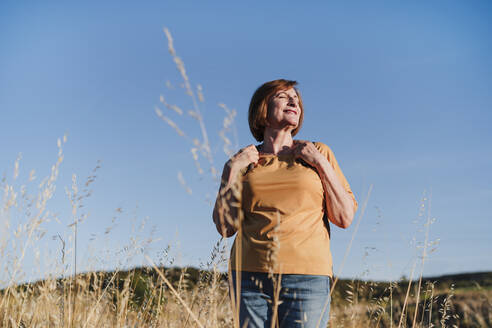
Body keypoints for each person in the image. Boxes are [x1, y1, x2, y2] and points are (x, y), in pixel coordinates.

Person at [212, 79, 358, 328]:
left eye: (297, 99)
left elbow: (344, 217)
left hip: (307, 277)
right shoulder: (245, 161)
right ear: (263, 110)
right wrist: (231, 170)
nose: (294, 101)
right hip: (249, 277)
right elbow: (226, 228)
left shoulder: (318, 152)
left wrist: (320, 163)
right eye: (283, 96)